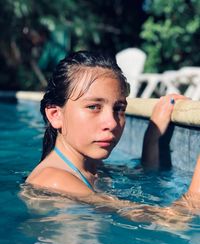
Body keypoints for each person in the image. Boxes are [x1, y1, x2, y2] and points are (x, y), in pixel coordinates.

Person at [25, 51, 200, 226]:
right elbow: (174, 220)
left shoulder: (92, 169)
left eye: (119, 109)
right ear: (55, 115)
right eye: (93, 107)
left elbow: (147, 176)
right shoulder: (54, 181)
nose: (112, 123)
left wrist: (152, 135)